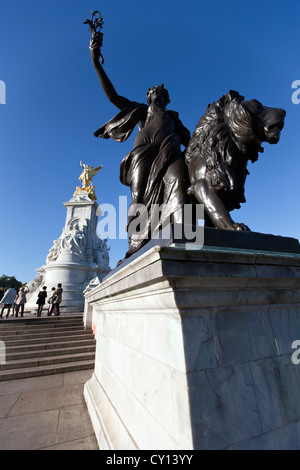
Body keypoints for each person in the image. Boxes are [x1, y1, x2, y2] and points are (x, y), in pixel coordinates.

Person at [89, 36, 191, 257]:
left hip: (168, 151)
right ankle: (135, 243)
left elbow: (190, 140)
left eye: (161, 94)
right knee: (138, 198)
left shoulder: (172, 117)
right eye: (154, 93)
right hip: (141, 156)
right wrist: (95, 61)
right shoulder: (140, 112)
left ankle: (183, 230)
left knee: (178, 182)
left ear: (166, 99)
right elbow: (112, 95)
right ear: (148, 97)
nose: (157, 95)